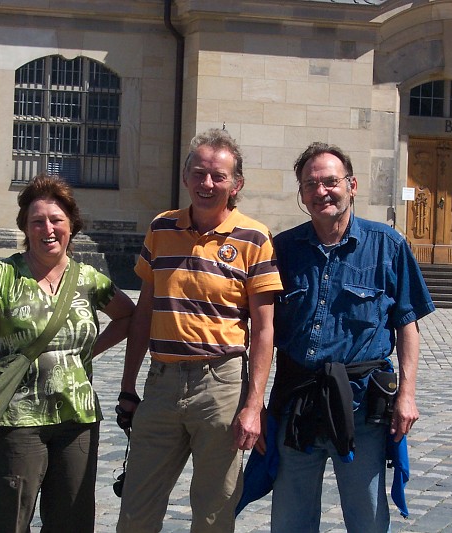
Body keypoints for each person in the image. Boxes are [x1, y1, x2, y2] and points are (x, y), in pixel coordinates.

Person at [0, 174, 135, 533]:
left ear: (72, 226)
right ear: (25, 227)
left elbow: (128, 316)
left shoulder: (89, 279)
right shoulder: (3, 274)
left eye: (56, 220)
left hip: (77, 418)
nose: (48, 229)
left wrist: (87, 354)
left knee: (72, 522)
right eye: (37, 221)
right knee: (7, 520)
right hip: (16, 418)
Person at [116, 128, 283, 532]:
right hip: (162, 383)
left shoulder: (255, 238)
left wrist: (253, 405)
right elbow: (144, 312)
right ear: (185, 176)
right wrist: (127, 387)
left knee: (213, 513)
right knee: (136, 510)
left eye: (218, 176)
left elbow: (264, 331)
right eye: (199, 173)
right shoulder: (161, 228)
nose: (207, 184)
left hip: (220, 387)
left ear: (236, 184)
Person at [268, 142, 435, 532]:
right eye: (310, 184)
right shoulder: (284, 249)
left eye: (330, 181)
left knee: (367, 521)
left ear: (352, 185)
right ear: (301, 193)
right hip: (297, 405)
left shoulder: (388, 245)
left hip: (362, 410)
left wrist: (407, 394)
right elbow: (262, 328)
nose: (321, 191)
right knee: (289, 523)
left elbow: (407, 323)